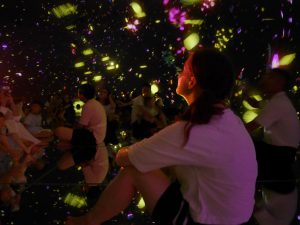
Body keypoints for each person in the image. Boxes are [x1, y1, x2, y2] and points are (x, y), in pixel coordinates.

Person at [66, 48, 257, 225]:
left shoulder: (195, 129)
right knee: (154, 164)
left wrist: (135, 153)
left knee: (134, 169)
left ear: (191, 81)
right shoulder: (229, 120)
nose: (179, 74)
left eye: (183, 69)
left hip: (209, 221)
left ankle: (88, 222)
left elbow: (123, 157)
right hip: (233, 218)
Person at [245, 68, 300, 225]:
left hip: (278, 157)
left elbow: (250, 127)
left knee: (243, 143)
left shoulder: (278, 104)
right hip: (282, 158)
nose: (265, 80)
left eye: (270, 78)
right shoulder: (280, 102)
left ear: (280, 82)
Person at [54, 84, 109, 190]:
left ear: (81, 94)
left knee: (58, 132)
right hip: (95, 139)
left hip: (92, 139)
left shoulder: (89, 105)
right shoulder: (94, 104)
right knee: (62, 147)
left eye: (78, 93)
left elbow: (80, 126)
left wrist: (68, 131)